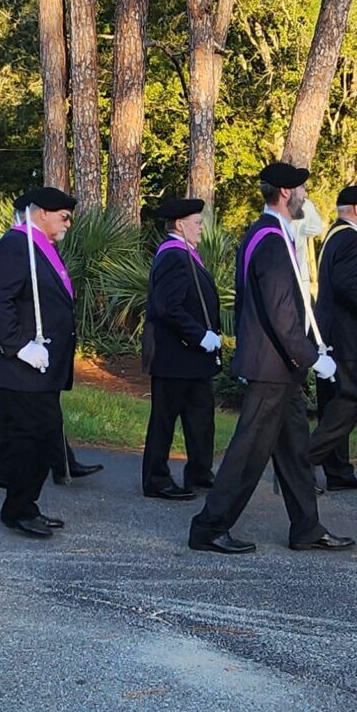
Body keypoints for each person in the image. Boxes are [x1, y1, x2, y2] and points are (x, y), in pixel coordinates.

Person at [187, 161, 351, 556]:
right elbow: (281, 314)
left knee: (294, 451)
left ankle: (306, 527)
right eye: (302, 192)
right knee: (249, 452)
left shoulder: (263, 235)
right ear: (284, 194)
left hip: (278, 366)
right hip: (274, 366)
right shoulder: (272, 242)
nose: (306, 198)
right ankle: (209, 527)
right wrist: (313, 358)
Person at [0, 187, 81, 539]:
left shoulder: (41, 247)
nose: (68, 223)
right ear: (41, 214)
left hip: (42, 366)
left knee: (41, 436)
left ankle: (26, 504)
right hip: (24, 365)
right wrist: (19, 346)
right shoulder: (15, 245)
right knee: (30, 439)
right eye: (63, 216)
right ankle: (17, 509)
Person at [308, 183, 357, 491]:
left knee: (334, 405)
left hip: (334, 335)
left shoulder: (334, 235)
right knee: (351, 398)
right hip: (346, 337)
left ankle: (338, 471)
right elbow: (347, 285)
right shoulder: (351, 239)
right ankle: (304, 460)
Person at [140, 197, 220, 501]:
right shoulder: (173, 256)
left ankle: (199, 471)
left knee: (201, 416)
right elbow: (167, 308)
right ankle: (156, 479)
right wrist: (201, 336)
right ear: (179, 225)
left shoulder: (186, 254)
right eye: (196, 223)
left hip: (193, 359)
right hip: (175, 356)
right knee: (164, 418)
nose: (201, 228)